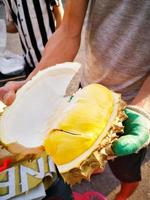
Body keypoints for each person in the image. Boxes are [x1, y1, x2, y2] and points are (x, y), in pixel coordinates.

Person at [0, 1, 150, 200]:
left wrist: (143, 106)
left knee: (126, 167)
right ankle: (96, 164)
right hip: (89, 89)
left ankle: (123, 193)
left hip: (134, 101)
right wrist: (33, 83)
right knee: (84, 146)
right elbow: (69, 28)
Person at [0, 1, 73, 200]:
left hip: (51, 54)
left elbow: (63, 20)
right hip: (30, 59)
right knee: (34, 110)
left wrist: (61, 64)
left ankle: (66, 152)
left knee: (56, 106)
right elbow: (12, 26)